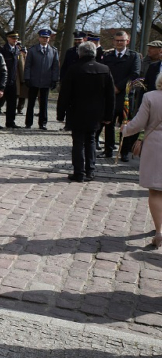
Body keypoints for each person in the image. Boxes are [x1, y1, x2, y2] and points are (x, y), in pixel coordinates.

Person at [56, 42, 115, 182]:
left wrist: (60, 113)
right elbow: (110, 96)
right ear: (94, 53)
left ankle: (79, 172)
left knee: (78, 142)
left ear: (79, 53)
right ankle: (90, 171)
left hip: (76, 111)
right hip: (96, 112)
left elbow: (64, 94)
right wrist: (108, 115)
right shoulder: (104, 69)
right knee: (91, 140)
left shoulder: (74, 69)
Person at [122, 72, 162, 248]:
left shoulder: (151, 97)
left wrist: (125, 129)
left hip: (156, 147)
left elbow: (138, 124)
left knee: (156, 191)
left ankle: (159, 230)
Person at [100, 31, 142, 161]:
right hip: (110, 95)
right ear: (113, 41)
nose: (119, 43)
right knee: (109, 123)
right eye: (117, 40)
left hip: (125, 96)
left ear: (127, 41)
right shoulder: (108, 56)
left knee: (126, 124)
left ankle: (124, 151)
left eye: (122, 40)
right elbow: (104, 72)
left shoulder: (133, 56)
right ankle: (108, 149)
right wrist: (110, 87)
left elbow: (134, 74)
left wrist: (119, 87)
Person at [23, 29, 59, 130]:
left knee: (44, 103)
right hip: (33, 80)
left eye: (47, 38)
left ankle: (42, 123)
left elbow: (55, 67)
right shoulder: (32, 50)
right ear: (39, 38)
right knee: (31, 103)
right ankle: (28, 123)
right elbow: (28, 65)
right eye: (43, 37)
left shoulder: (53, 51)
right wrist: (27, 77)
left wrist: (55, 79)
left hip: (46, 81)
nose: (45, 39)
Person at [0, 31, 25, 128]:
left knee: (12, 103)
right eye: (13, 38)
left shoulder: (17, 49)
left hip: (13, 80)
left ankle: (10, 122)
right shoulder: (2, 49)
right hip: (3, 80)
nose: (15, 40)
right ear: (8, 38)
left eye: (16, 38)